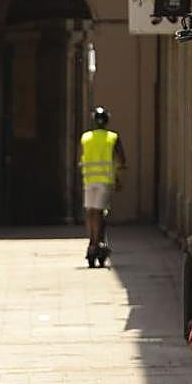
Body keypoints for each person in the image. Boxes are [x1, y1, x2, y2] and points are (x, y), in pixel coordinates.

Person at [79, 106, 126, 267]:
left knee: (90, 213)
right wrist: (118, 176)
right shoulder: (112, 137)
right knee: (99, 213)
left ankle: (92, 242)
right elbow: (121, 160)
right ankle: (97, 242)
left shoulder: (85, 137)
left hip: (89, 180)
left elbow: (82, 157)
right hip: (104, 181)